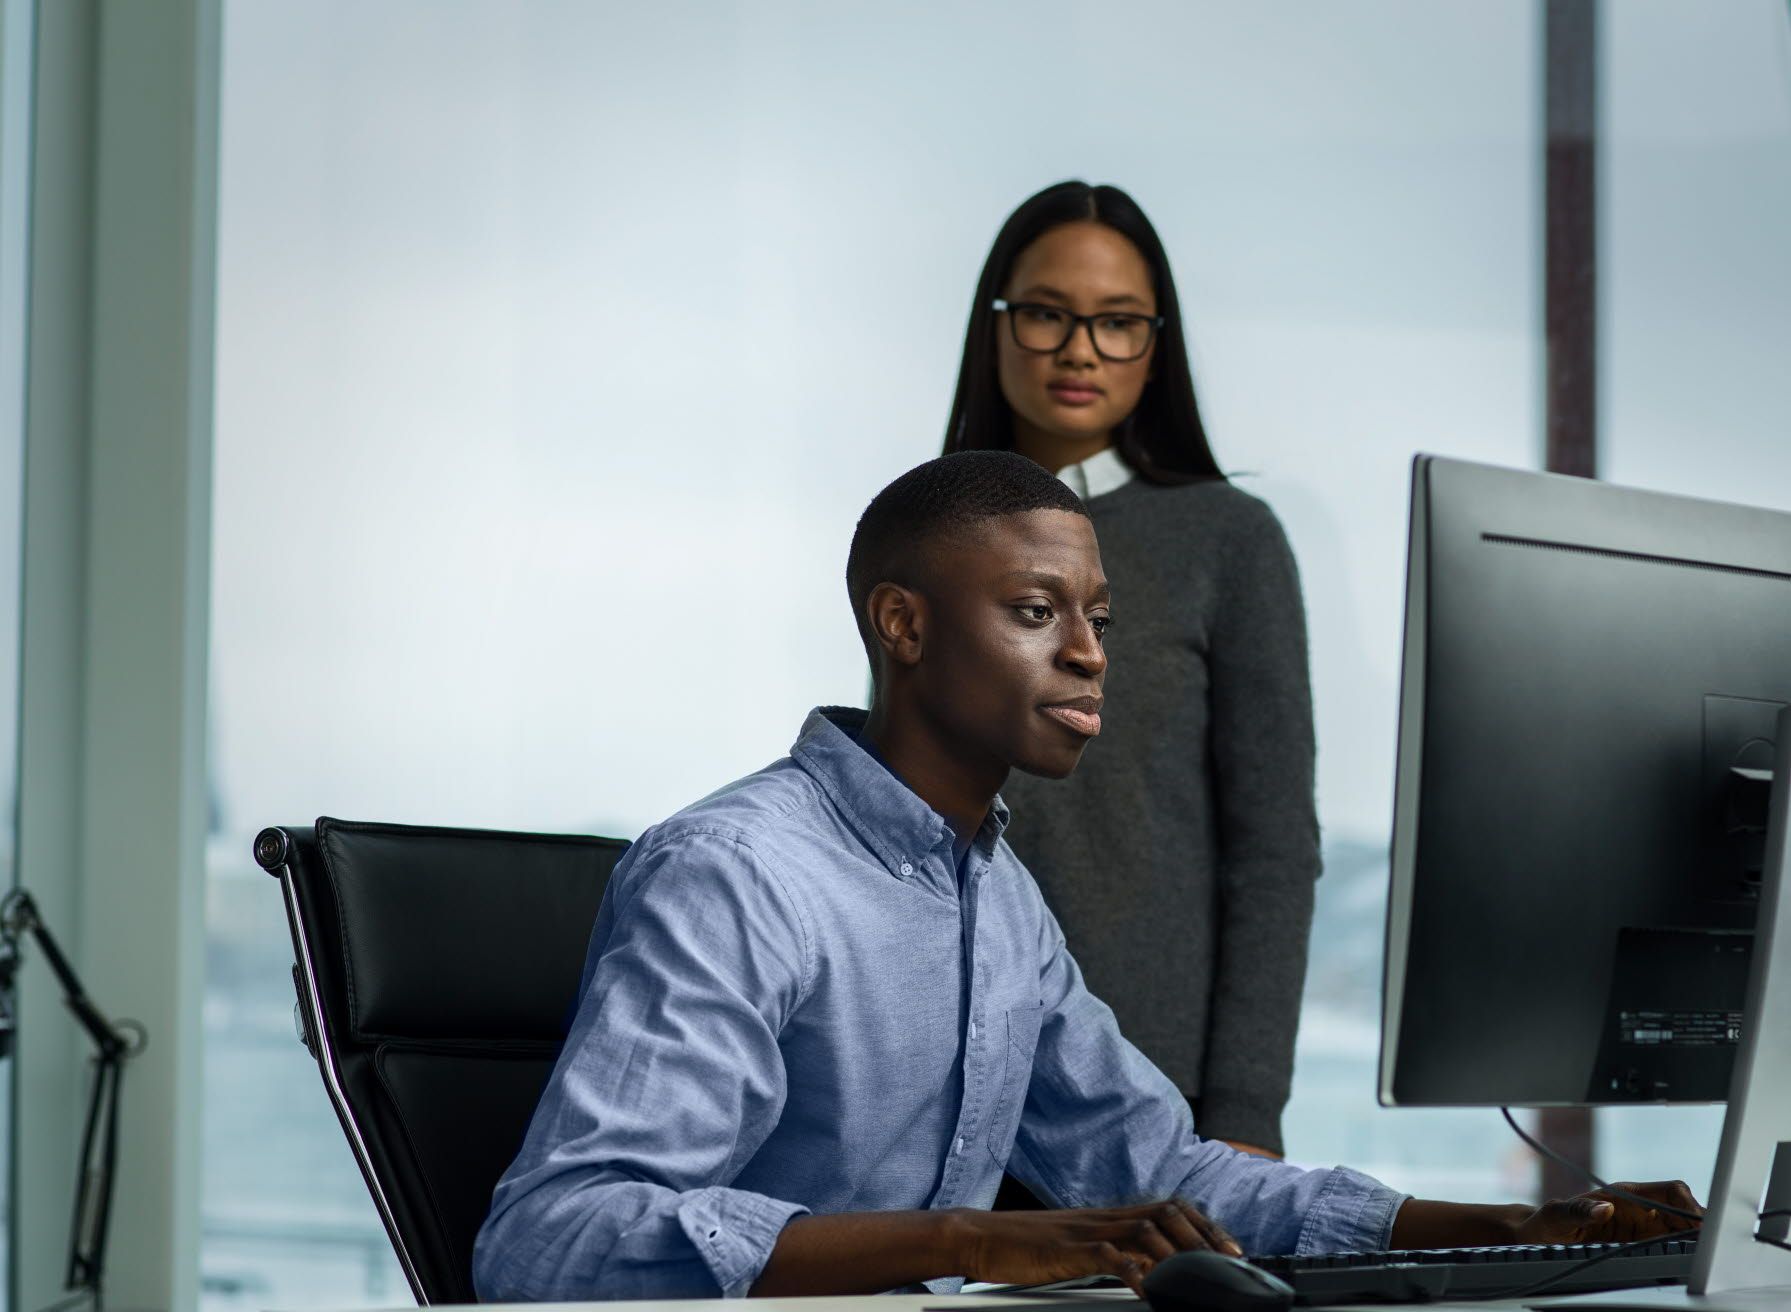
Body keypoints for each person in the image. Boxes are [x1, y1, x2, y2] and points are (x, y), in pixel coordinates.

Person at [471, 452, 1699, 1302]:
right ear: (903, 625)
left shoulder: (998, 899)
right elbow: (546, 1243)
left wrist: (1513, 1229)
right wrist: (980, 1241)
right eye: (1035, 609)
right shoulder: (736, 875)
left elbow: (1172, 1177)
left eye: (1100, 618)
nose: (1089, 653)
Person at [943, 181, 1314, 1160]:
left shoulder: (1228, 540)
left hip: (1156, 1090)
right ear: (996, 323)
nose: (1079, 349)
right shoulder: (927, 536)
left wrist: (1245, 1110)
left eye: (1117, 323)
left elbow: (1273, 847)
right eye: (1047, 315)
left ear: (1158, 344)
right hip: (940, 1079)